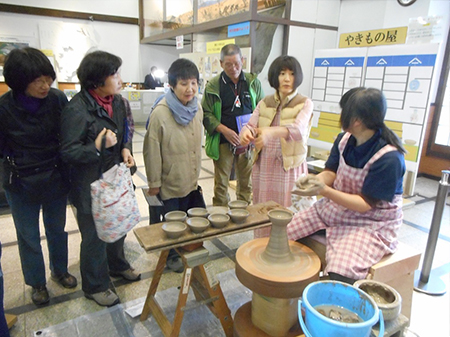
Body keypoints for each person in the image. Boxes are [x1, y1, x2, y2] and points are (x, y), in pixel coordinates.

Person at [287, 87, 406, 284]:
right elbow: (331, 171)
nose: (341, 116)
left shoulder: (389, 158)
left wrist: (323, 190)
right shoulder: (344, 140)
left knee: (341, 269)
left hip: (371, 223)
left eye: (344, 112)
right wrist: (316, 181)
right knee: (285, 232)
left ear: (357, 120)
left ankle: (331, 303)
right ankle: (292, 291)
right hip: (337, 209)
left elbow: (364, 204)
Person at [60, 50, 140, 307]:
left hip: (114, 178)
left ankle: (117, 266)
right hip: (89, 185)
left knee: (118, 226)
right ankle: (95, 286)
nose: (119, 78)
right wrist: (97, 146)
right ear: (96, 81)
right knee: (94, 236)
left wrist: (125, 148)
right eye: (114, 74)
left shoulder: (115, 101)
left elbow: (124, 129)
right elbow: (68, 152)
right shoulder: (76, 109)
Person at [0, 47, 76, 306]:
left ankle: (60, 270)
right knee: (28, 236)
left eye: (48, 79)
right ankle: (37, 282)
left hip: (54, 175)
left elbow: (67, 135)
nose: (45, 86)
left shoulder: (57, 99)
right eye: (37, 81)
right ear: (20, 82)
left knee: (57, 230)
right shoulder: (3, 108)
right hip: (20, 181)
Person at [240, 55, 313, 238]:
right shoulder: (265, 102)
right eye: (282, 73)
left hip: (288, 166)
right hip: (264, 164)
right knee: (263, 210)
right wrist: (245, 132)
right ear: (275, 76)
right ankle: (262, 246)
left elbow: (297, 130)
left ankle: (284, 250)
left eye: (291, 74)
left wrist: (269, 132)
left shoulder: (304, 103)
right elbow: (250, 124)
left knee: (287, 212)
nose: (287, 79)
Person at [143, 58, 205, 272]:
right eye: (183, 84)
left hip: (190, 176)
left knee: (189, 217)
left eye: (194, 83)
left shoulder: (197, 108)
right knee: (171, 222)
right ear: (171, 85)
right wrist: (153, 182)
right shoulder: (161, 113)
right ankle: (170, 254)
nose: (190, 89)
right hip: (169, 180)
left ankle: (185, 248)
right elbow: (151, 150)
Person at [202, 44, 264, 206]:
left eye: (236, 63)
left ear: (242, 61)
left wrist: (252, 132)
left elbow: (262, 109)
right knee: (221, 183)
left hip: (247, 140)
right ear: (221, 64)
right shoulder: (213, 86)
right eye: (228, 64)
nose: (233, 68)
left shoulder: (252, 82)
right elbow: (206, 113)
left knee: (246, 182)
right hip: (223, 140)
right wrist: (224, 130)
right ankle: (221, 215)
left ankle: (242, 213)